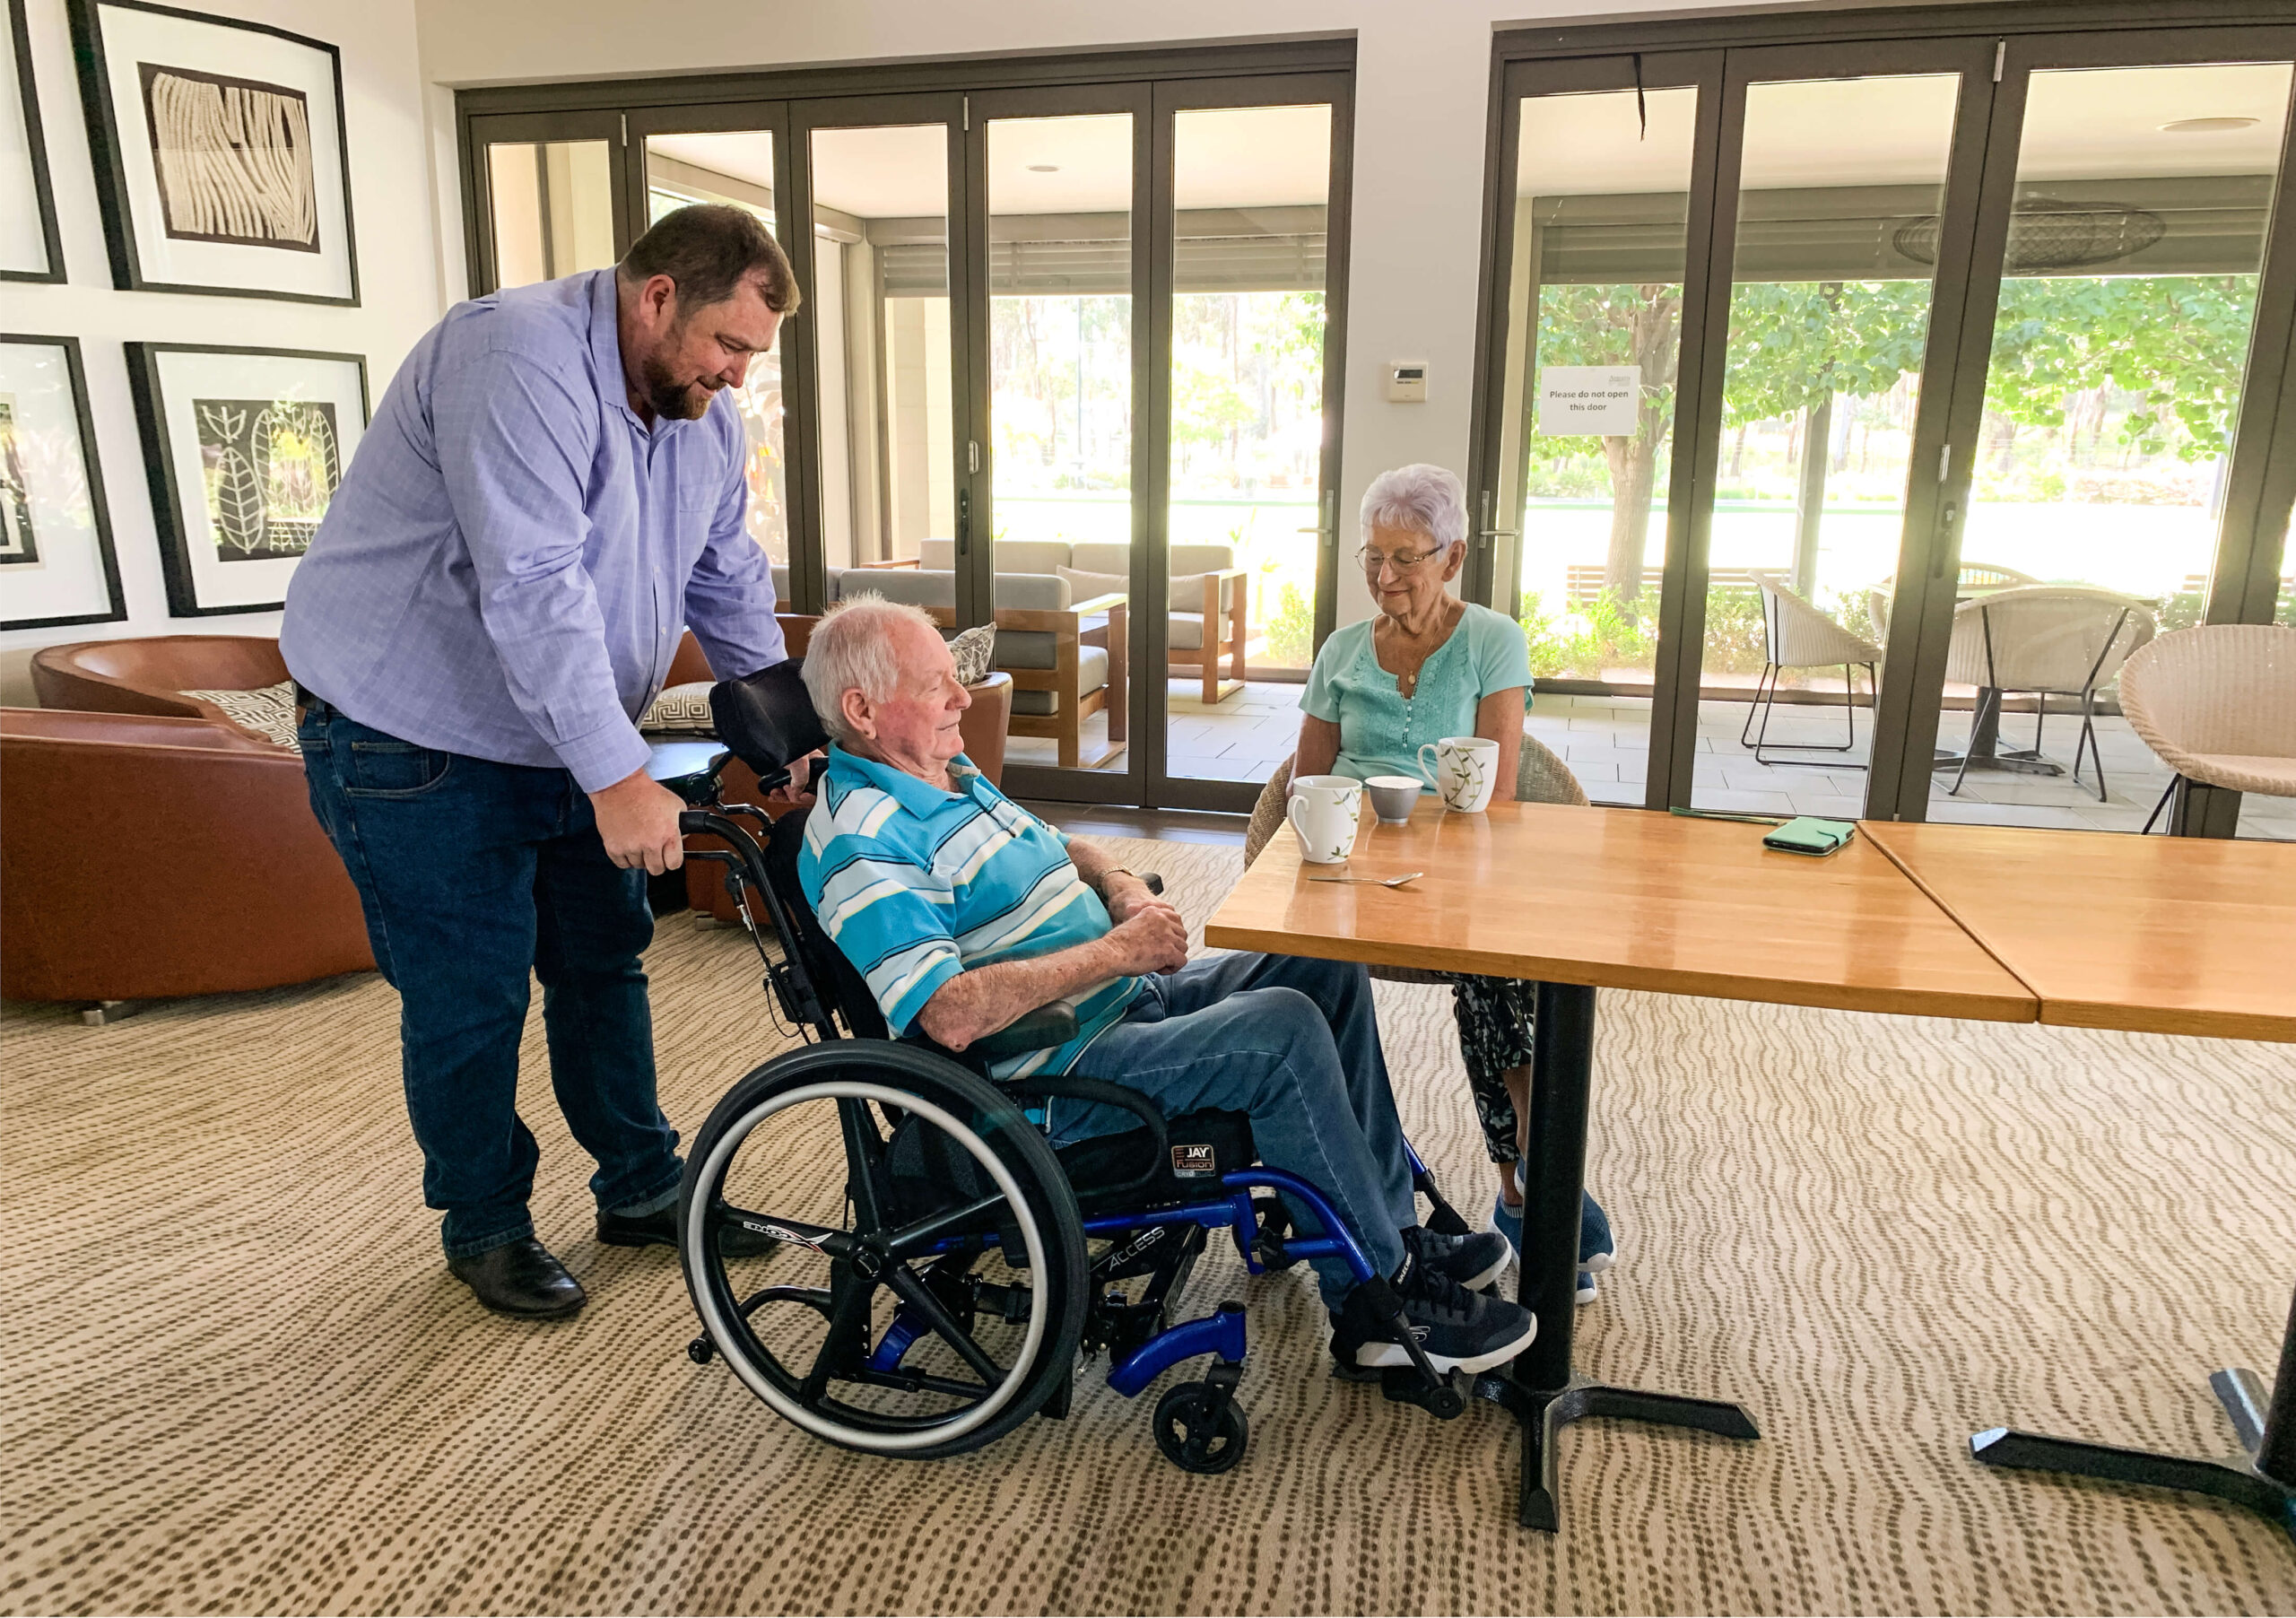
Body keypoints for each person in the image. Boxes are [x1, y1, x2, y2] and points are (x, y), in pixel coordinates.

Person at [796, 595, 1541, 1376]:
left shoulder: (947, 771)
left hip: (1120, 1005)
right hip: (1049, 1075)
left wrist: (1122, 887)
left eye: (958, 677)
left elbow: (1060, 844)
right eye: (938, 683)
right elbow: (949, 1013)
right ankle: (1377, 1306)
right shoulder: (861, 840)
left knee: (1324, 963)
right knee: (1281, 1029)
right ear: (864, 709)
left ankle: (1389, 1232)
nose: (962, 698)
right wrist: (1117, 952)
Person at [281, 204, 802, 1320]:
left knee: (602, 960)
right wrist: (619, 776)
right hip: (409, 732)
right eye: (727, 345)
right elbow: (533, 584)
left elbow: (727, 578)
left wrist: (787, 737)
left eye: (751, 356)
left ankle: (642, 1187)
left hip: (563, 728)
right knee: (470, 995)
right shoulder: (514, 356)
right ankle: (486, 1226)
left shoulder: (699, 413)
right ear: (656, 295)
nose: (735, 375)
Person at [1293, 463, 1617, 1302]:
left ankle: (1523, 1186)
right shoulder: (1340, 651)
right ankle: (1511, 1200)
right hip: (1356, 863)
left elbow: (1497, 792)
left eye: (1406, 557)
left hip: (1464, 852)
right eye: (1372, 557)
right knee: (1298, 983)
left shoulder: (1491, 640)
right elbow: (1308, 780)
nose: (1385, 577)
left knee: (1498, 975)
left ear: (1453, 557)